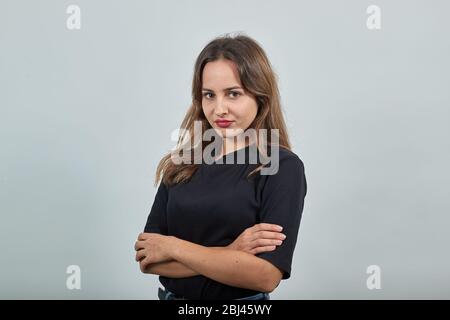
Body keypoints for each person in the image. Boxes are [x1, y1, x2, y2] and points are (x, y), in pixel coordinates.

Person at [134, 33, 307, 300]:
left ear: (260, 96)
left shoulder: (281, 167)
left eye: (233, 94)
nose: (219, 108)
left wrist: (173, 247)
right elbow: (149, 259)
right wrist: (231, 253)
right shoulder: (181, 164)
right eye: (209, 95)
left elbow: (265, 276)